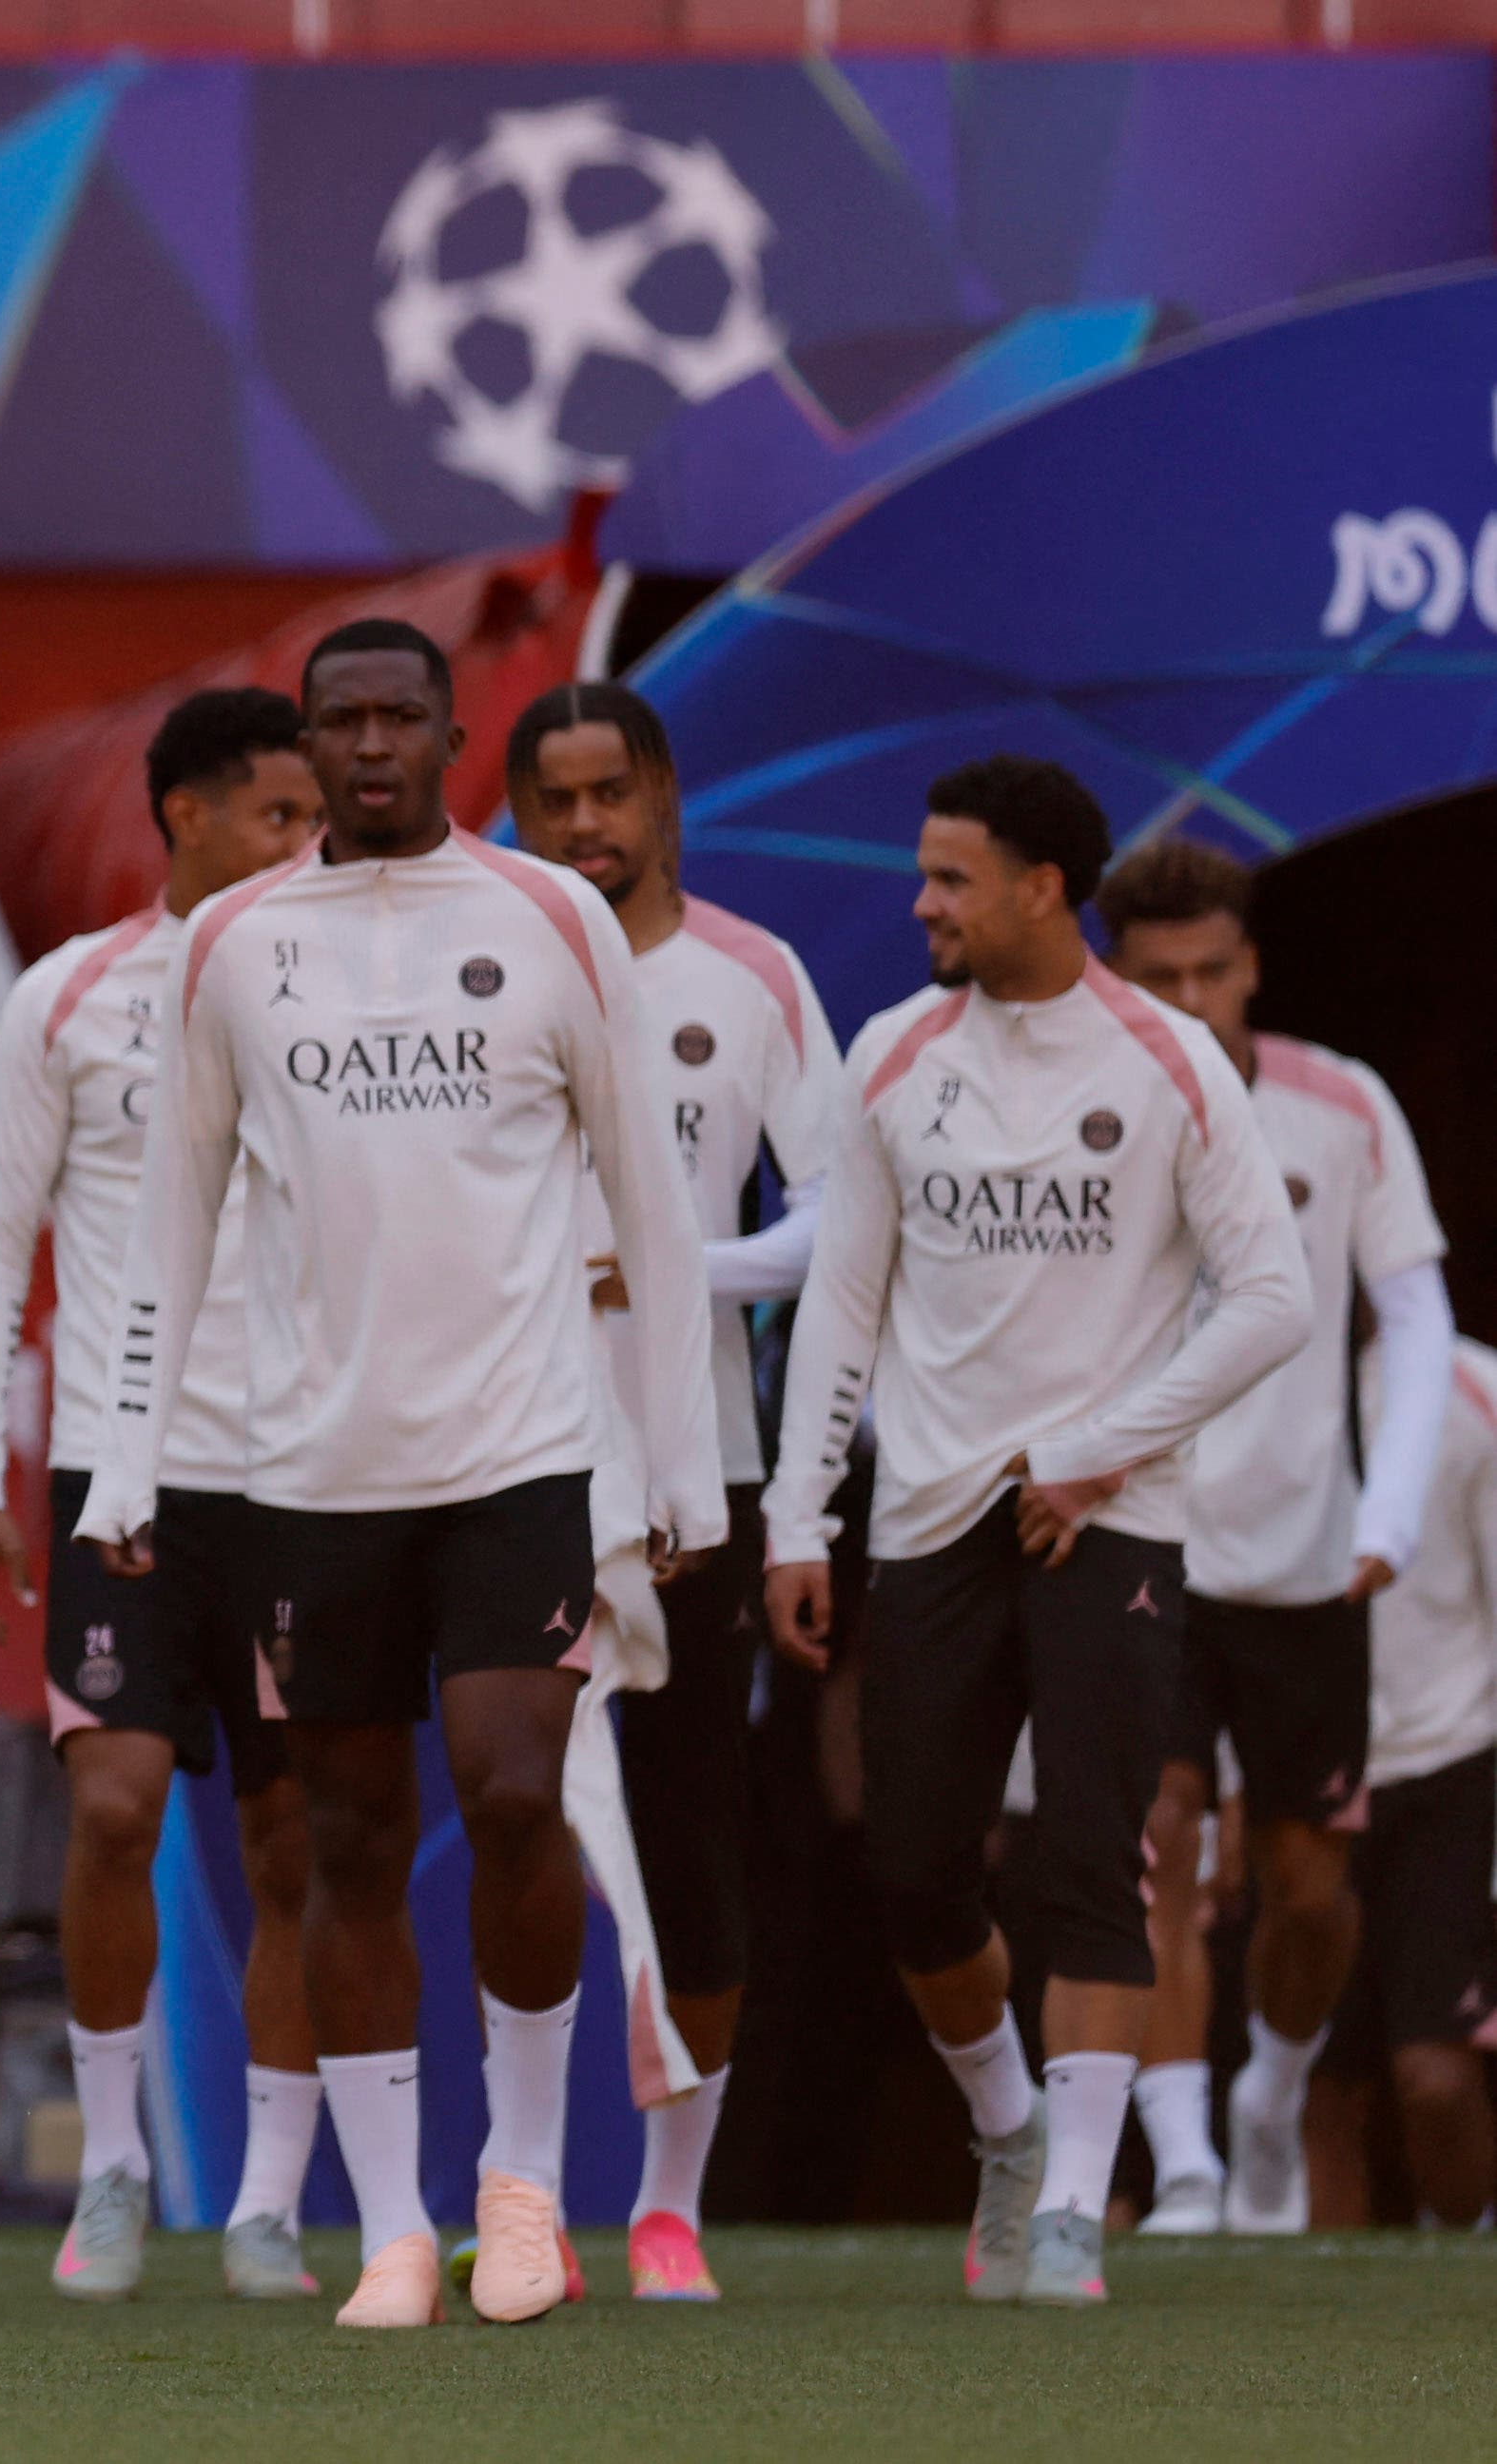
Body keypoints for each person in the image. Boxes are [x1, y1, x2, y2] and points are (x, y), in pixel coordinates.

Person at [75, 619, 726, 2330]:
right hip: (306, 1472)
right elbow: (170, 1224)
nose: (368, 745)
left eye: (398, 718)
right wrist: (123, 1465)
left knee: (515, 1792)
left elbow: (648, 1211)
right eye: (338, 720)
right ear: (310, 736)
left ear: (451, 736)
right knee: (350, 1833)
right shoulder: (229, 945)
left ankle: (517, 2189)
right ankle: (383, 2226)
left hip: (519, 1454)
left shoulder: (551, 919)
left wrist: (680, 1461)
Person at [761, 756, 1308, 2309]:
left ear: (1038, 889)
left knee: (1093, 1856)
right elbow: (841, 1308)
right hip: (930, 1522)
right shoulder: (887, 1055)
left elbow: (1268, 1301)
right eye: (922, 873)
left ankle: (1074, 2204)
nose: (919, 902)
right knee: (919, 1874)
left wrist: (1090, 1457)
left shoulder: (1171, 1062)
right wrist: (798, 1520)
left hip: (1110, 1525)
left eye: (947, 878)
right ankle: (1008, 2135)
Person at [0, 687, 329, 2302]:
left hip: (311, 1467)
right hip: (123, 1471)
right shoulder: (70, 997)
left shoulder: (339, 1003)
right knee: (111, 1808)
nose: (309, 846)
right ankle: (110, 2168)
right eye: (278, 817)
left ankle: (269, 2195)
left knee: (297, 1839)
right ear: (184, 817)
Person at [506, 681, 846, 2301]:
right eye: (554, 796)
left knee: (691, 1838)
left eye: (609, 790)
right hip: (500, 1460)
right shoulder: (477, 970)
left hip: (699, 1466)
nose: (586, 825)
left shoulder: (752, 977)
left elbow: (840, 1224)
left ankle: (665, 2206)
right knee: (516, 1820)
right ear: (513, 810)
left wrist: (665, 1263)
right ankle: (512, 2195)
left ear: (662, 796)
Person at [1093, 839, 1455, 2236]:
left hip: (1309, 1553)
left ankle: (1267, 2099)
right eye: (1160, 972)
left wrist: (1393, 1501)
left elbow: (1413, 1309)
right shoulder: (1083, 1097)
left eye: (1213, 969)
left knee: (1311, 1893)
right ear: (1119, 968)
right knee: (1159, 1838)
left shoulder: (1342, 1104)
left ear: (1252, 963)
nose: (1190, 995)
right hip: (1146, 1536)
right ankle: (1182, 2163)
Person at [1317, 1329, 1497, 2227]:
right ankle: (1303, 2360)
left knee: (1433, 2076)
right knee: (1314, 2085)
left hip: (1449, 1774)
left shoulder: (1475, 1389)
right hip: (1302, 1782)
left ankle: (1464, 2262)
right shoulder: (1242, 1376)